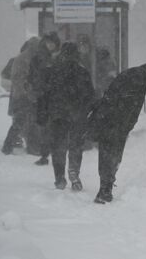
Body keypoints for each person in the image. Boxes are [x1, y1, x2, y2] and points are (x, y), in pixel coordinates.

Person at [86, 62, 146, 203]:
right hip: (112, 123)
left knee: (111, 156)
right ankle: (104, 191)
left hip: (114, 123)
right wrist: (121, 124)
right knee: (110, 156)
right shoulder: (136, 80)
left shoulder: (138, 77)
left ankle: (106, 188)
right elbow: (123, 105)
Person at [38, 43, 94, 190]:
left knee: (58, 146)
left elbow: (44, 95)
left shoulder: (52, 72)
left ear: (62, 54)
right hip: (77, 115)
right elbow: (90, 96)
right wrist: (88, 112)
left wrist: (42, 113)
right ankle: (74, 171)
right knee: (76, 145)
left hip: (57, 115)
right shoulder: (83, 72)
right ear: (77, 55)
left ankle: (59, 177)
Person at [1, 38, 40, 155]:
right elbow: (19, 79)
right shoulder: (24, 59)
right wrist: (27, 92)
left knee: (24, 121)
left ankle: (12, 145)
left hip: (22, 95)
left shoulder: (26, 57)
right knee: (22, 120)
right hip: (23, 96)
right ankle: (10, 145)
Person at [29, 32, 61, 165]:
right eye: (48, 42)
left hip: (54, 97)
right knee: (44, 126)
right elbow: (31, 76)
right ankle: (44, 153)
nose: (50, 45)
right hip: (43, 96)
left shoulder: (59, 58)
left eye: (52, 43)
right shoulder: (38, 58)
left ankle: (54, 152)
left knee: (54, 126)